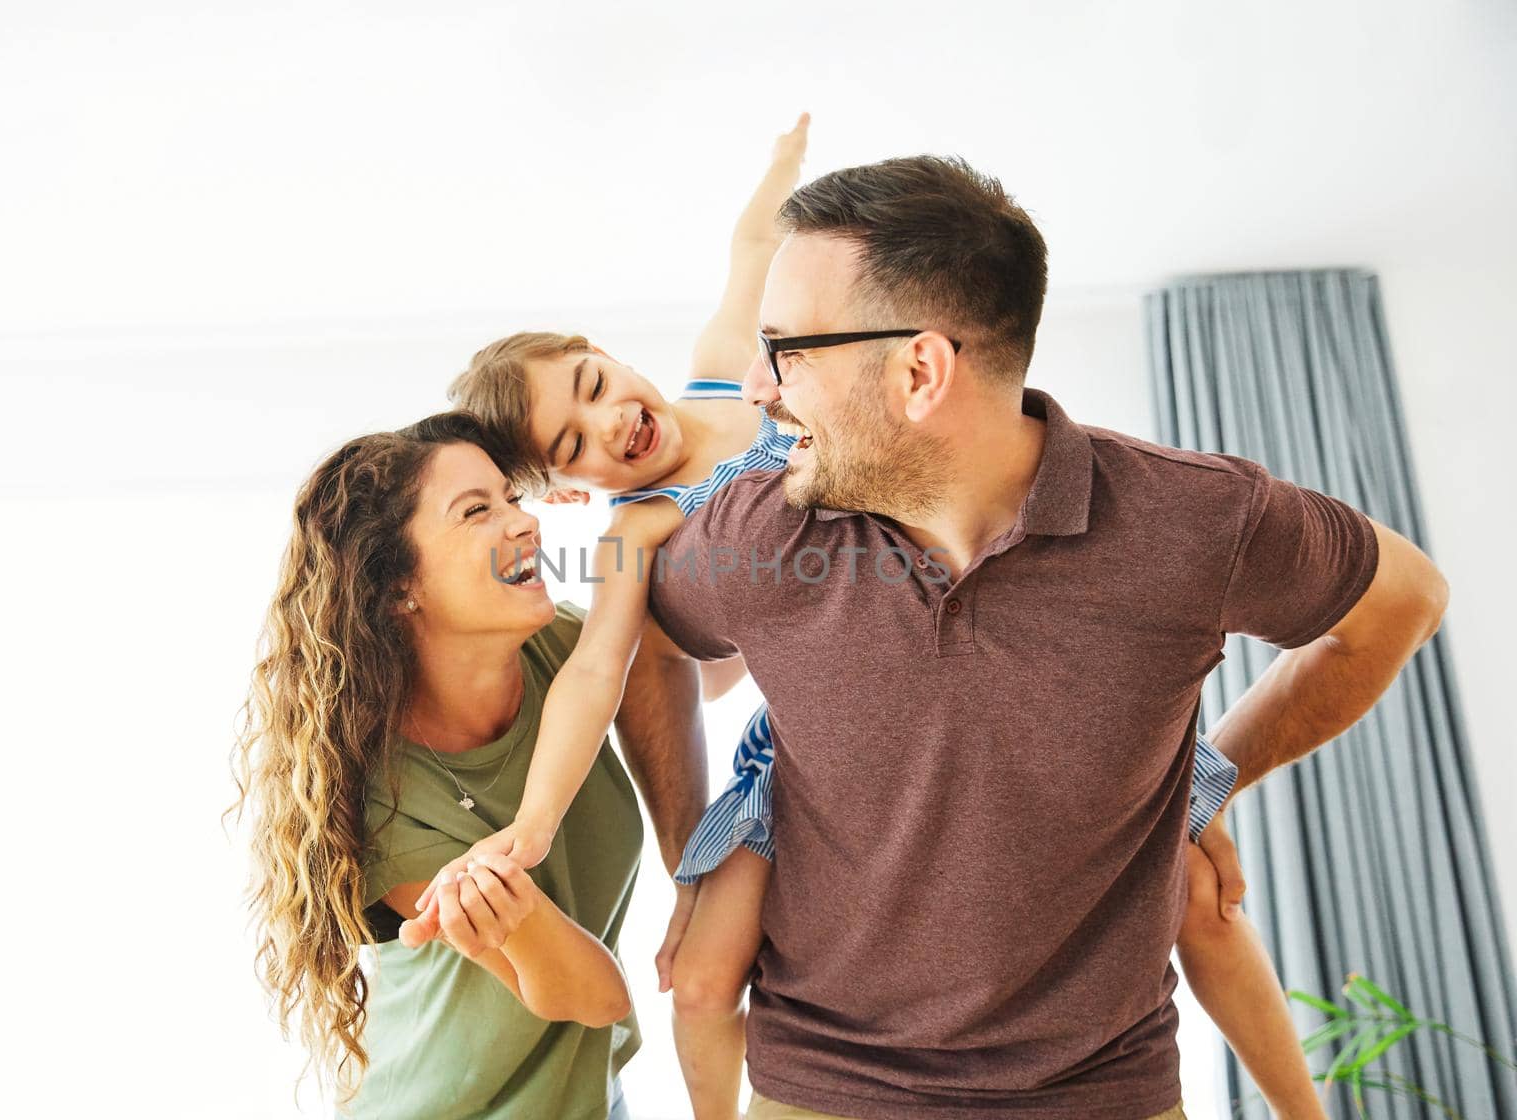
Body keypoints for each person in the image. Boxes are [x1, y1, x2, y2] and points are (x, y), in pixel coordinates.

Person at [413, 134, 1356, 1120]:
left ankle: (1301, 1106)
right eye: (574, 441)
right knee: (698, 972)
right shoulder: (637, 532)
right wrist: (535, 825)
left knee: (1203, 897)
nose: (610, 419)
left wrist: (786, 168)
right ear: (568, 490)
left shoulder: (722, 374)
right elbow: (599, 673)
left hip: (1000, 666)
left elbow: (750, 250)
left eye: (594, 380)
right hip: (804, 745)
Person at [635, 155, 1449, 1120]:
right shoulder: (758, 534)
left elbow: (1402, 602)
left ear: (919, 371)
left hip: (1109, 1097)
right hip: (820, 1092)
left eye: (789, 350)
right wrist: (691, 845)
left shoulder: (1194, 521)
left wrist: (1207, 775)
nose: (760, 388)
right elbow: (646, 641)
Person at [230, 411, 706, 1120]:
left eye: (513, 498)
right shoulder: (383, 803)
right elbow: (593, 995)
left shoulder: (571, 658)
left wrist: (694, 872)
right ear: (397, 587)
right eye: (477, 511)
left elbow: (690, 658)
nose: (524, 523)